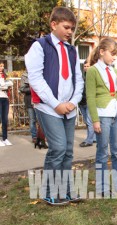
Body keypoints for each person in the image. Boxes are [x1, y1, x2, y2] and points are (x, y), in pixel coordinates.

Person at [25, 6, 84, 205]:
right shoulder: (40, 46)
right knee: (57, 148)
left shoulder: (72, 50)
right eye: (66, 27)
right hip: (48, 107)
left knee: (68, 150)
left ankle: (66, 190)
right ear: (53, 24)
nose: (70, 32)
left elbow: (78, 79)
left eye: (72, 28)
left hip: (68, 107)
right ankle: (49, 191)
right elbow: (35, 78)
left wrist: (72, 102)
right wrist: (56, 104)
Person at [86, 37, 117, 197]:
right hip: (103, 116)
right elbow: (90, 97)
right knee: (103, 152)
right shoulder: (92, 71)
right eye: (112, 54)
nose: (114, 58)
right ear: (102, 52)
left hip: (116, 115)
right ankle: (102, 187)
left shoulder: (115, 70)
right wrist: (95, 120)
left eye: (116, 55)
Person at [78, 60, 96, 147]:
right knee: (87, 121)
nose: (86, 68)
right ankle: (94, 138)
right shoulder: (81, 77)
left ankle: (89, 140)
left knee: (89, 122)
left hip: (89, 102)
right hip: (82, 102)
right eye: (85, 66)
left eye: (88, 66)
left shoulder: (93, 76)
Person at [19, 71, 37, 143]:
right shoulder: (24, 75)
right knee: (32, 120)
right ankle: (34, 136)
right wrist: (32, 88)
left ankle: (42, 136)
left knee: (41, 120)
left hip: (39, 101)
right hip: (29, 100)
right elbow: (22, 89)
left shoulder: (38, 72)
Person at [0, 61, 13, 146]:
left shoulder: (5, 76)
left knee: (5, 119)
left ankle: (5, 138)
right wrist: (4, 85)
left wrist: (4, 85)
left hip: (5, 98)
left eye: (3, 66)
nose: (2, 68)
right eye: (0, 66)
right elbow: (2, 85)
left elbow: (10, 83)